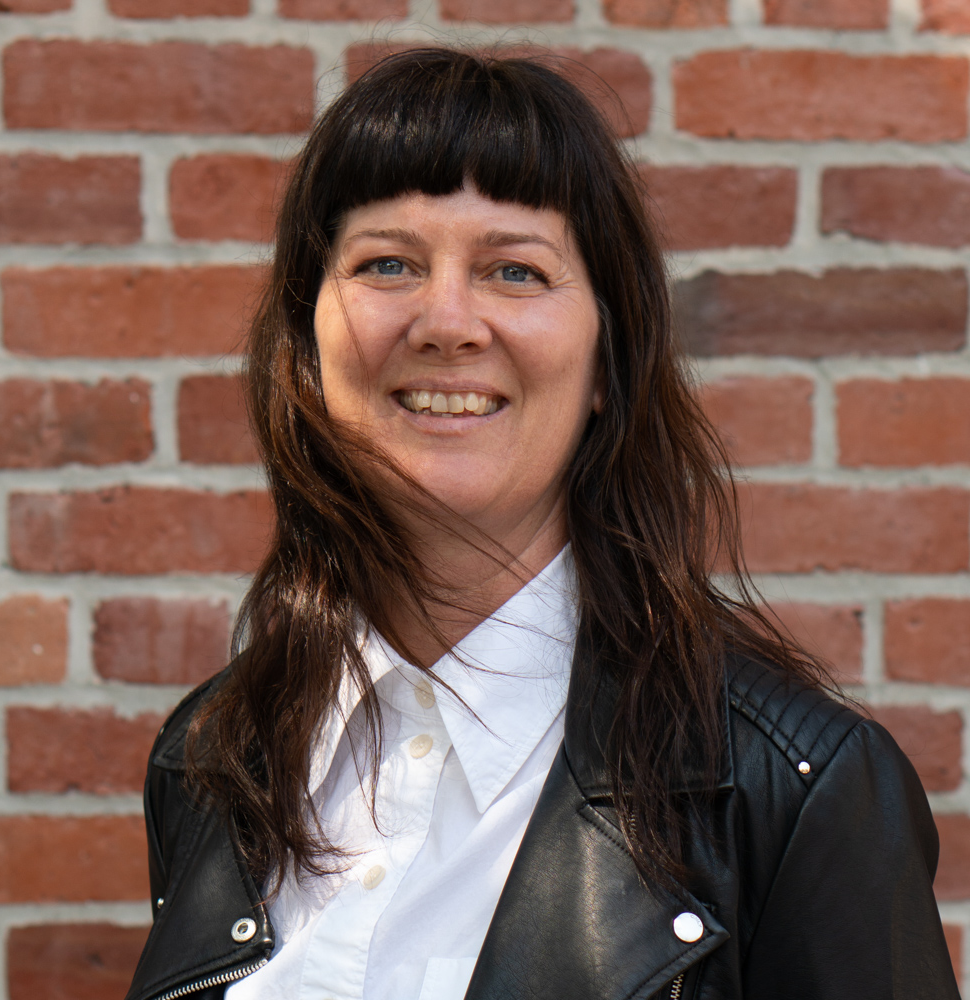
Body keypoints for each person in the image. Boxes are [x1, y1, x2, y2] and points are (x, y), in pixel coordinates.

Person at [124, 48, 958, 1000]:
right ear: (307, 347)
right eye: (386, 262)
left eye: (515, 271)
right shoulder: (212, 756)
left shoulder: (793, 793)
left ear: (607, 361)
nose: (446, 321)